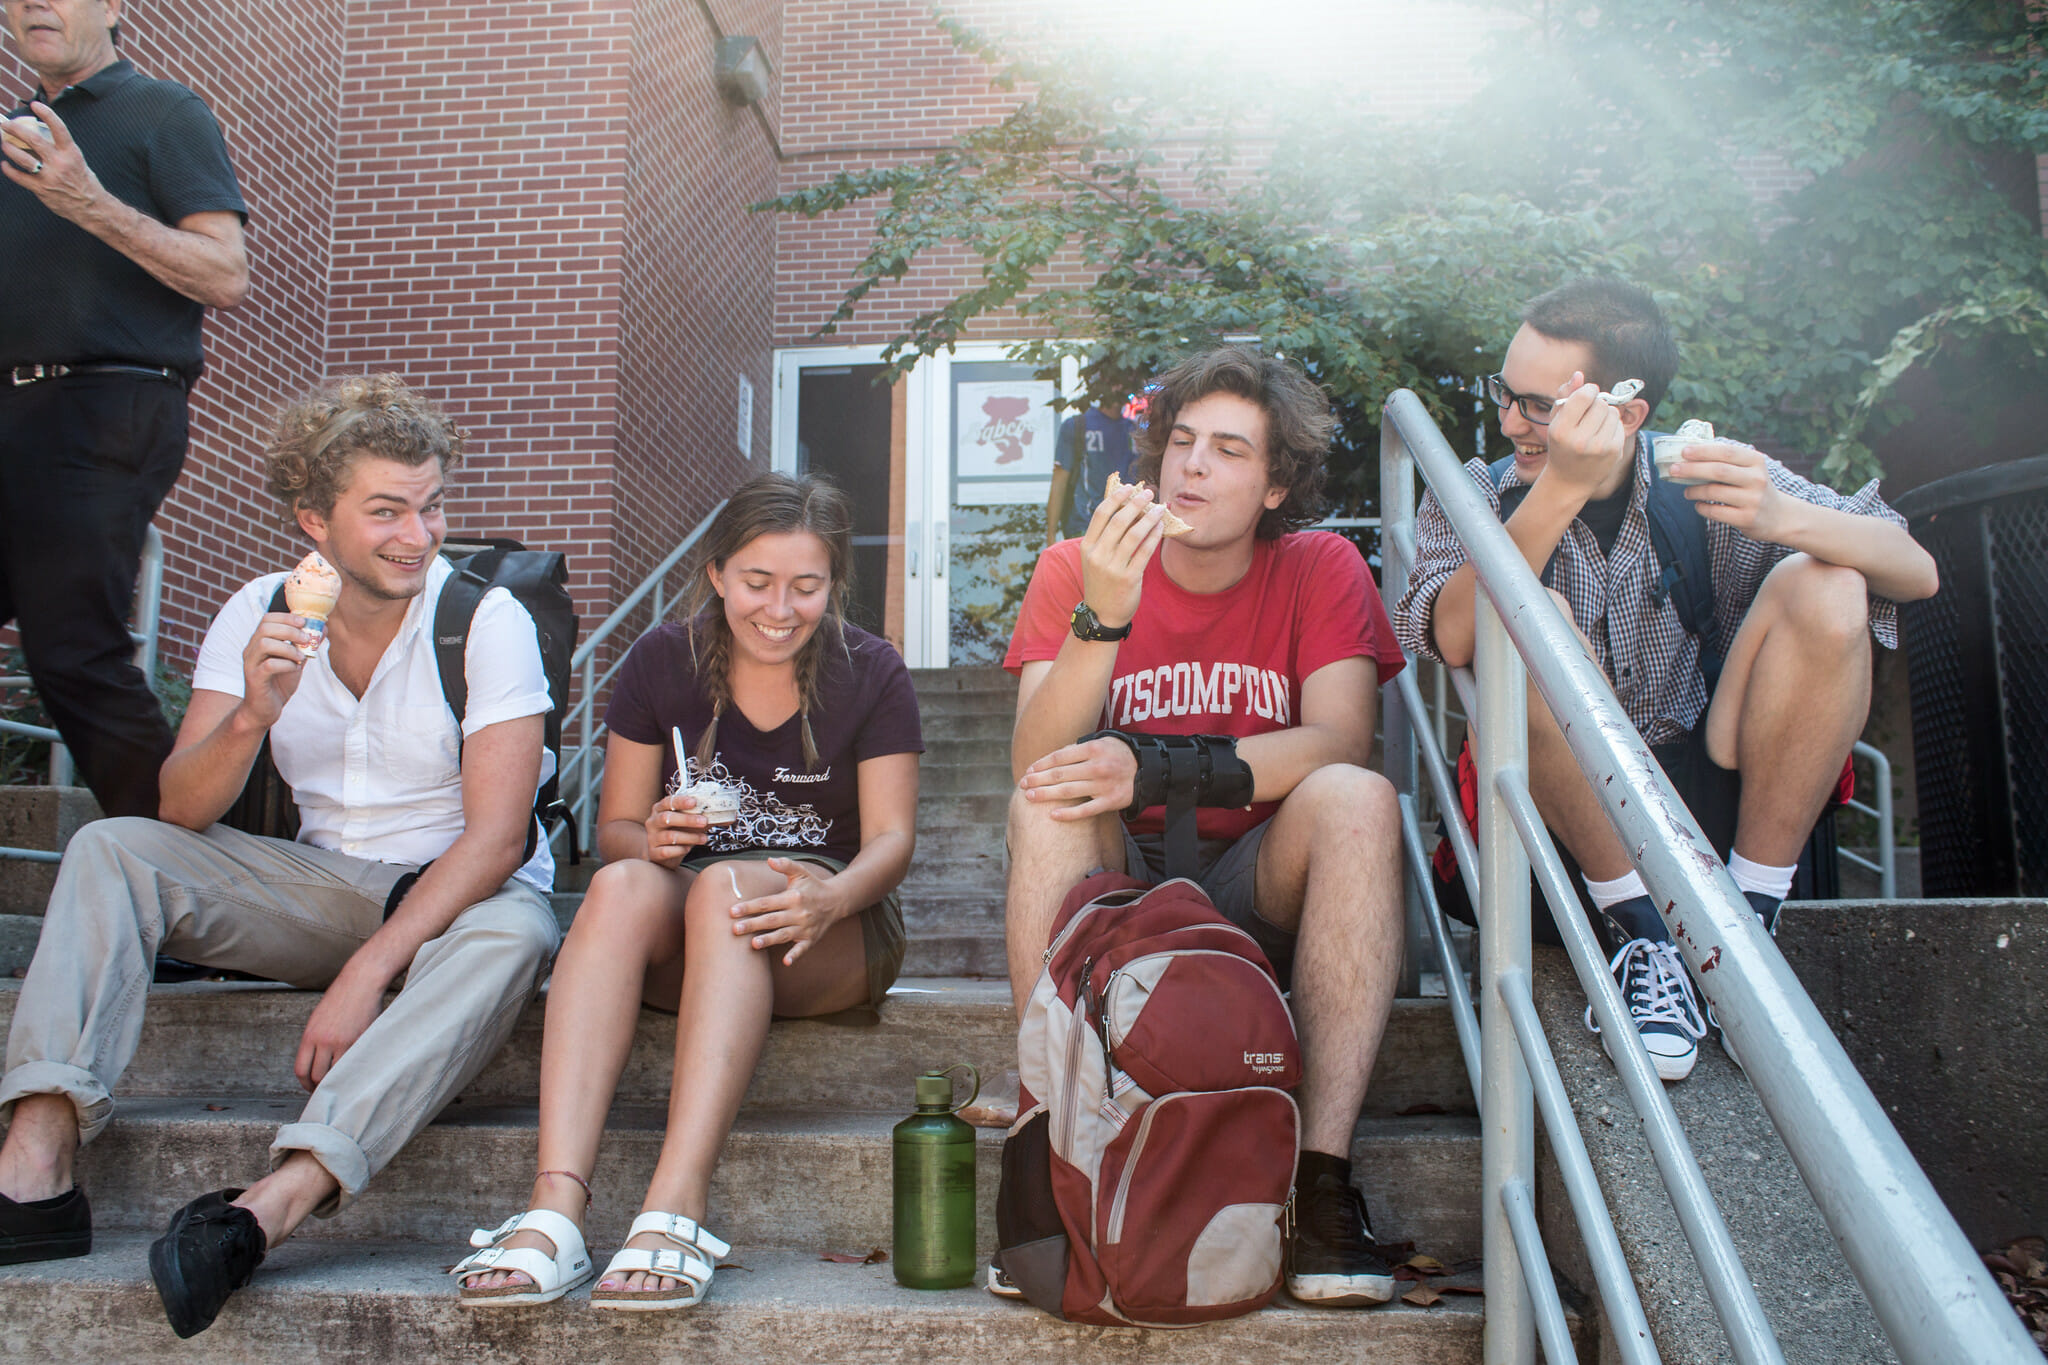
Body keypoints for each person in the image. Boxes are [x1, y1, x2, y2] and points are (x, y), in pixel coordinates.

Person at [0, 375, 561, 1338]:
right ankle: (37, 1162)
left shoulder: (483, 619)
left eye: (430, 507)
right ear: (314, 517)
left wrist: (365, 975)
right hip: (322, 887)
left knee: (519, 928)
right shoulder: (256, 610)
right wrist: (255, 712)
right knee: (111, 847)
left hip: (463, 899)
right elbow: (181, 807)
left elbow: (498, 840)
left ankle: (272, 1204)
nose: (417, 536)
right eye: (385, 511)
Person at [1394, 278, 1938, 1081]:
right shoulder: (1475, 488)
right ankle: (1646, 938)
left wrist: (1780, 518)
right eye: (1504, 393)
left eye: (1538, 405)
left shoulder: (1691, 471)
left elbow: (1915, 570)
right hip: (1559, 840)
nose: (1511, 421)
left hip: (1704, 811)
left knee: (1831, 581)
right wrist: (1562, 485)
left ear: (1628, 412)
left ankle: (1746, 931)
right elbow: (1449, 629)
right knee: (1523, 607)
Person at [452, 471, 921, 1312]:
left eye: (806, 586)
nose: (780, 608)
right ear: (715, 573)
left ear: (833, 586)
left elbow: (892, 840)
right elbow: (615, 834)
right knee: (628, 885)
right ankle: (555, 1205)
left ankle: (675, 1205)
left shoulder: (872, 671)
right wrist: (654, 836)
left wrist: (833, 896)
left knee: (723, 894)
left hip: (829, 930)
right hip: (699, 921)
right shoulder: (662, 660)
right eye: (758, 582)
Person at [1001, 343, 1410, 1307]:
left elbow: (1344, 740)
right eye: (1181, 442)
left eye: (1229, 449)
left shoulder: (1319, 564)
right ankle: (1042, 1157)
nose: (1191, 466)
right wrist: (1103, 613)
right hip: (1123, 881)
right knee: (1045, 799)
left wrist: (1160, 763)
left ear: (1276, 485)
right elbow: (1033, 757)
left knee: (1359, 798)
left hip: (1258, 873)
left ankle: (1321, 1182)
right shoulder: (1078, 564)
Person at [0, 0, 249, 819]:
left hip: (107, 402)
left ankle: (177, 887)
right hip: (14, 409)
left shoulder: (164, 111)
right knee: (69, 647)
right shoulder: (15, 131)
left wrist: (88, 202)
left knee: (73, 650)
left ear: (113, 7)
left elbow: (224, 273)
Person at [1046, 396, 1139, 547]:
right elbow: (1059, 481)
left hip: (1127, 529)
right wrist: (1051, 535)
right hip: (1085, 527)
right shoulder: (1077, 426)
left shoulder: (1134, 431)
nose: (1118, 386)